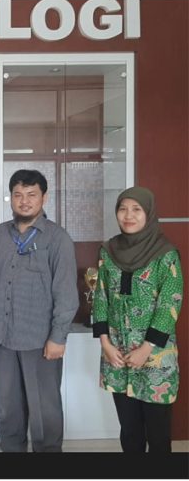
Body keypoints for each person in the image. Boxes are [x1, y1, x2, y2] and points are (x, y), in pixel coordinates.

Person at [0, 169, 79, 452]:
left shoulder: (57, 239)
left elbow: (66, 292)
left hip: (40, 340)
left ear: (44, 197)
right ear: (10, 198)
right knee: (8, 410)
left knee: (44, 412)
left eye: (31, 194)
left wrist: (58, 337)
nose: (24, 201)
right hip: (3, 337)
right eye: (18, 195)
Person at [92, 186, 183, 452]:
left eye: (136, 209)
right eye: (123, 209)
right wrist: (105, 344)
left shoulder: (166, 254)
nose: (128, 215)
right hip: (117, 355)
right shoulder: (108, 251)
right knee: (129, 432)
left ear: (149, 213)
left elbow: (170, 303)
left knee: (158, 435)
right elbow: (100, 297)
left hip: (155, 358)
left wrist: (146, 349)